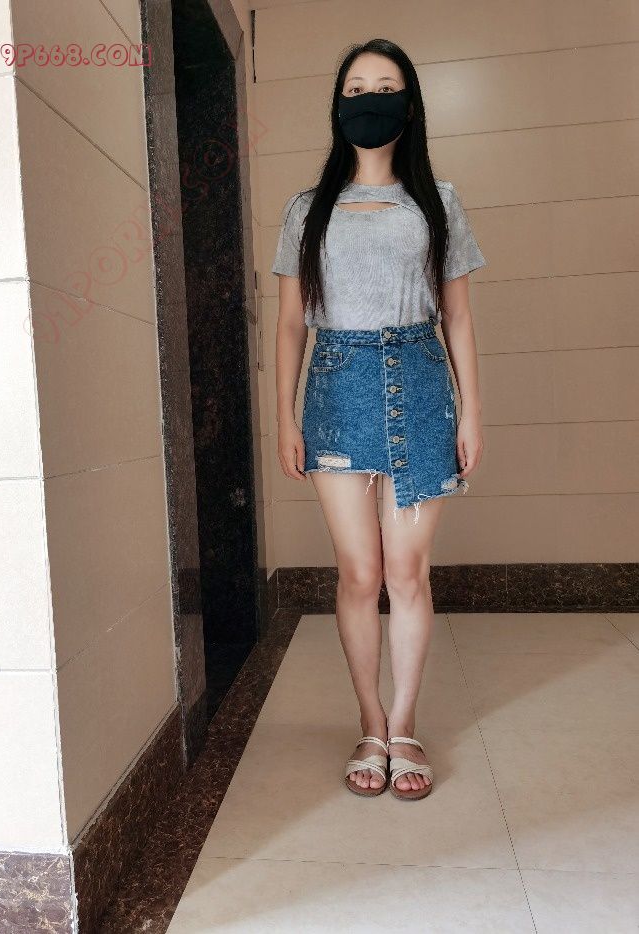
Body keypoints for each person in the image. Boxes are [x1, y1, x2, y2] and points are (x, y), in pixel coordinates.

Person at [271, 39, 487, 800]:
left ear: (410, 105)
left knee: (408, 572)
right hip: (336, 389)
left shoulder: (438, 203)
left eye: (385, 87)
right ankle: (369, 722)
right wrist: (284, 418)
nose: (371, 99)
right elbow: (290, 324)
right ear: (339, 106)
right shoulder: (307, 209)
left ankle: (403, 727)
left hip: (421, 386)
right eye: (357, 88)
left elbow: (458, 317)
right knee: (360, 573)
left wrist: (471, 412)